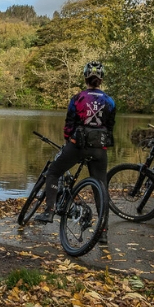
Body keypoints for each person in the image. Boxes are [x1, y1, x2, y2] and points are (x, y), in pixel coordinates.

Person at [36, 61, 116, 244]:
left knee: (54, 172)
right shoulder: (110, 101)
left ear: (85, 78)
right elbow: (110, 127)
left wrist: (68, 141)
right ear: (101, 79)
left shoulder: (78, 98)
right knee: (101, 189)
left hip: (77, 145)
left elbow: (68, 125)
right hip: (99, 149)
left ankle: (49, 211)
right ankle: (103, 231)